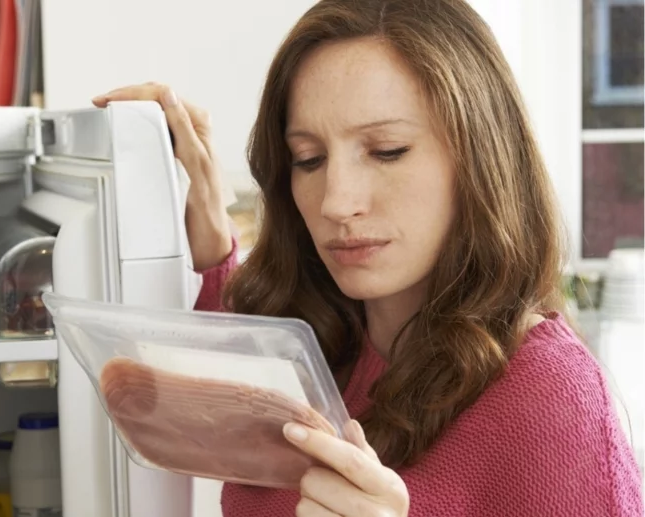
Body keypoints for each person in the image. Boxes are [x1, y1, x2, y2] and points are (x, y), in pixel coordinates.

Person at [92, 0, 644, 515]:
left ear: (480, 158)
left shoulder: (550, 398)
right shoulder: (312, 339)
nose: (336, 202)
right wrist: (206, 220)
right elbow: (214, 371)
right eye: (308, 159)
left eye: (387, 152)